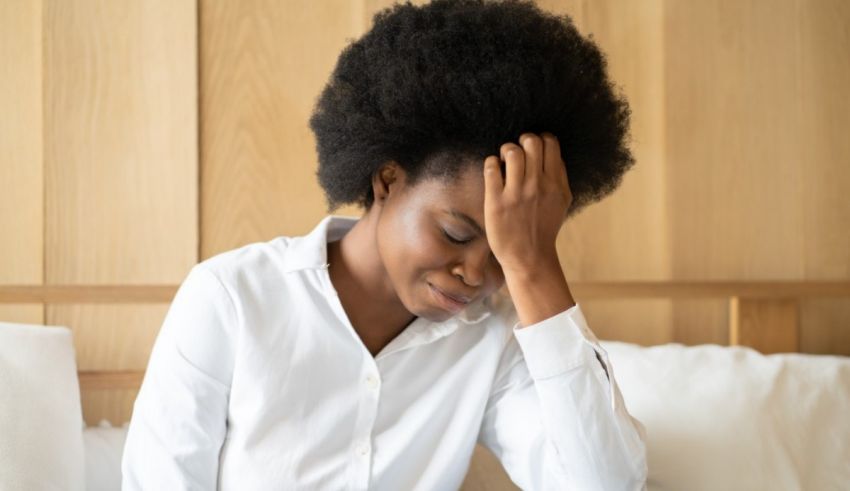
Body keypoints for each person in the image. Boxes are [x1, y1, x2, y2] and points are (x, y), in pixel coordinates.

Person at [121, 0, 648, 489]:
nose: (475, 274)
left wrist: (535, 267)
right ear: (388, 180)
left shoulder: (492, 338)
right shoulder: (231, 298)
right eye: (457, 233)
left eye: (503, 253)